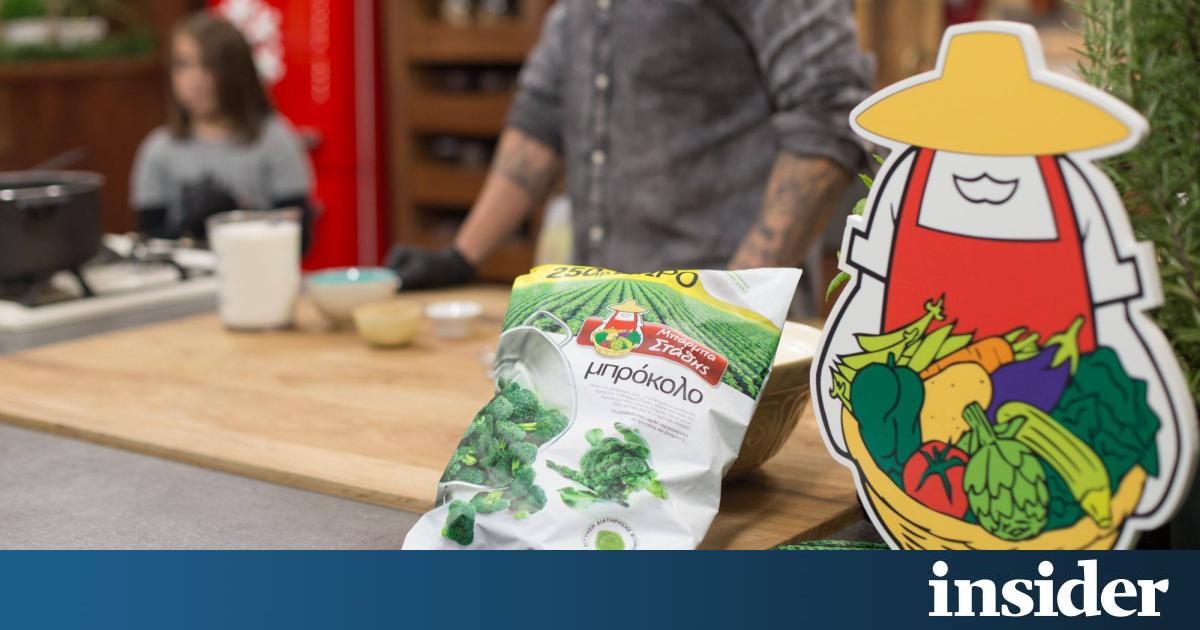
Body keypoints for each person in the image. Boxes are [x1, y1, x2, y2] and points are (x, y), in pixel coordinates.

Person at [387, 1, 873, 288]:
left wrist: (737, 302)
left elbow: (827, 106)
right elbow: (542, 113)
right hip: (611, 322)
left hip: (723, 314)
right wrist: (461, 256)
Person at [130, 12, 315, 251]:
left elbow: (301, 238)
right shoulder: (158, 150)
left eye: (209, 65)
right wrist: (187, 227)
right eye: (183, 65)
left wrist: (237, 217)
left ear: (236, 71)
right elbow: (148, 239)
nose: (195, 79)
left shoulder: (274, 139)